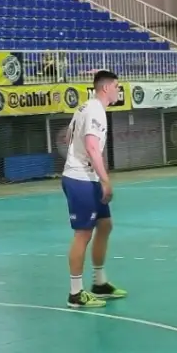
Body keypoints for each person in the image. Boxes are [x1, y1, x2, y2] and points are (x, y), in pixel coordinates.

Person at [61, 69, 126, 308]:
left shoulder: (84, 107)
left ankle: (99, 283)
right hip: (80, 179)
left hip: (87, 177)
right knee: (83, 234)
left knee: (105, 225)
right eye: (117, 86)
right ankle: (75, 294)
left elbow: (68, 137)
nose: (119, 90)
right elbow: (91, 146)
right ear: (106, 87)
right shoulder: (96, 110)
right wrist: (105, 179)